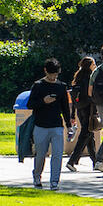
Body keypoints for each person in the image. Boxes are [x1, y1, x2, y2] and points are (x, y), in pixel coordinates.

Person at [27, 58, 74, 190]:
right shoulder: (38, 85)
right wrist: (43, 101)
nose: (54, 77)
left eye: (56, 74)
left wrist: (69, 125)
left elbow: (65, 107)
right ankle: (37, 176)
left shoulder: (61, 86)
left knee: (57, 155)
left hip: (57, 125)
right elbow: (30, 104)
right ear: (45, 71)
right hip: (40, 125)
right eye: (51, 74)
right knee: (41, 155)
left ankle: (54, 182)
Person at [66, 57, 98, 172]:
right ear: (89, 66)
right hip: (89, 109)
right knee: (86, 134)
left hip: (80, 110)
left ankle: (96, 162)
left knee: (89, 135)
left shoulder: (78, 78)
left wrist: (73, 114)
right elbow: (92, 95)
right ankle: (72, 161)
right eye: (93, 64)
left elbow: (75, 99)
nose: (95, 66)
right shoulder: (90, 78)